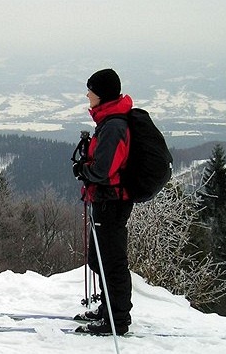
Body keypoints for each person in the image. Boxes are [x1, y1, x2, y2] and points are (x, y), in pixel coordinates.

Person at [72, 68, 134, 335]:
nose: (87, 95)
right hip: (106, 200)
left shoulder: (114, 125)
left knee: (111, 261)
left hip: (112, 202)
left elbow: (104, 170)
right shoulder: (108, 121)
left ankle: (117, 321)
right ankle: (108, 309)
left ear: (102, 94)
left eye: (91, 90)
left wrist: (82, 170)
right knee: (100, 259)